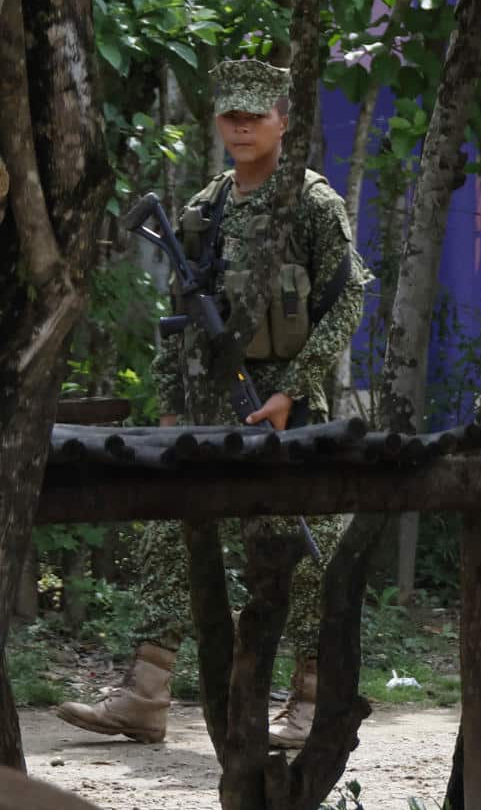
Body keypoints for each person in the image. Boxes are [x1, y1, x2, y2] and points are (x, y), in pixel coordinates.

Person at [57, 59, 370, 749]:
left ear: (282, 120)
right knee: (173, 531)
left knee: (310, 549)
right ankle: (145, 693)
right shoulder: (208, 206)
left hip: (294, 405)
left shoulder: (313, 203)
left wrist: (293, 388)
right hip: (214, 404)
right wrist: (173, 409)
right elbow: (181, 317)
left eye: (254, 115)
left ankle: (313, 701)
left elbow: (349, 297)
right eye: (230, 113)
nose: (240, 126)